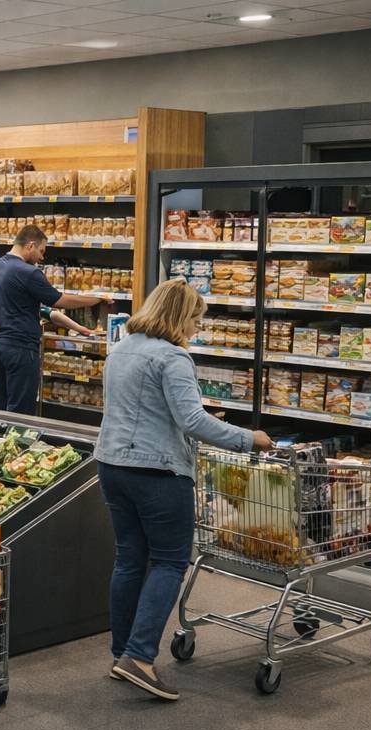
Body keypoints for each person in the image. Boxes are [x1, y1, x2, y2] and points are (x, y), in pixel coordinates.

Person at [95, 278, 274, 701]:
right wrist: (251, 439)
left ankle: (122, 653)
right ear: (179, 316)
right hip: (157, 471)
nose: (197, 328)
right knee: (171, 563)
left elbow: (148, 407)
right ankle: (140, 658)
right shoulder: (173, 357)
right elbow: (191, 421)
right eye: (195, 319)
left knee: (128, 560)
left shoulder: (121, 347)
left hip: (111, 464)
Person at [0, 224, 104, 413]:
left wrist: (79, 328)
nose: (42, 257)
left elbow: (41, 310)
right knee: (20, 409)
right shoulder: (28, 272)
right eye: (41, 251)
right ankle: (18, 442)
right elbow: (60, 300)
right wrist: (97, 299)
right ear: (30, 245)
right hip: (20, 347)